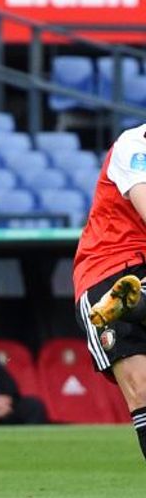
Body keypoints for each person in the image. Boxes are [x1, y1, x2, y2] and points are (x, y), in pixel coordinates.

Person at [72, 123, 146, 460]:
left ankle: (138, 303)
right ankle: (134, 300)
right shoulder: (134, 144)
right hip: (109, 270)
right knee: (142, 388)